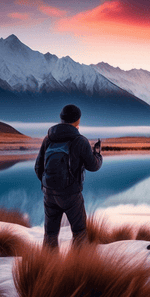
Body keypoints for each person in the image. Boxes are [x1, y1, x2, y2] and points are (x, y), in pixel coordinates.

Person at [35, 104, 102, 249]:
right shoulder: (80, 141)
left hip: (49, 194)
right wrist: (97, 154)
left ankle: (47, 267)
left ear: (61, 119)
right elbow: (93, 166)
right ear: (78, 120)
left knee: (50, 234)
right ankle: (78, 268)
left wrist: (49, 184)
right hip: (71, 194)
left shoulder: (48, 139)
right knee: (79, 232)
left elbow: (38, 168)